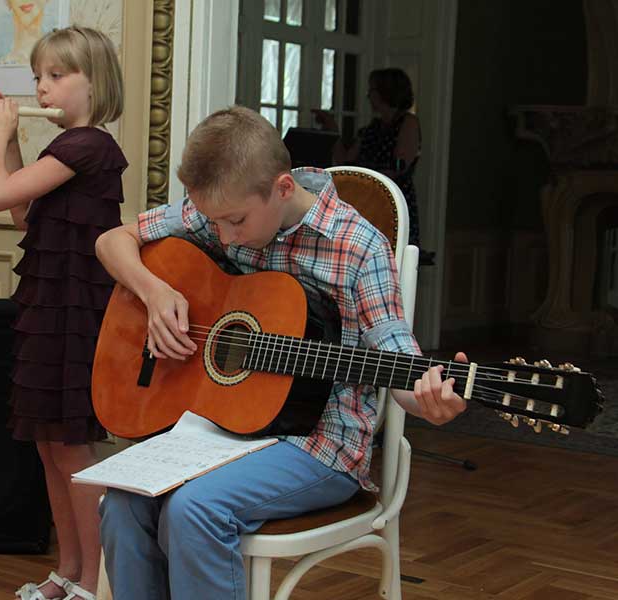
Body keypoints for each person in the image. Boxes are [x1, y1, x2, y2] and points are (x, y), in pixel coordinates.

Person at [94, 106, 466, 599]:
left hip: (320, 444)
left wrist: (429, 399)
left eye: (235, 222)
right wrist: (154, 292)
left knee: (194, 509)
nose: (223, 236)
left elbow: (396, 355)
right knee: (123, 502)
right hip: (217, 429)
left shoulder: (358, 247)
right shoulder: (222, 206)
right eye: (214, 222)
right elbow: (112, 241)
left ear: (283, 188)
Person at [0, 25, 126, 600]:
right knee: (48, 445)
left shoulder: (88, 146)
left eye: (57, 75)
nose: (42, 87)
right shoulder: (62, 149)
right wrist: (13, 144)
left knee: (70, 447)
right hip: (48, 304)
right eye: (38, 76)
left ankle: (93, 580)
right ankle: (67, 571)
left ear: (94, 83)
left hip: (76, 312)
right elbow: (22, 213)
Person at [318, 68, 424, 254]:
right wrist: (332, 129)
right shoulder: (372, 128)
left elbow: (399, 166)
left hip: (390, 198)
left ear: (386, 91)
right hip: (364, 198)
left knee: (391, 252)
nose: (369, 96)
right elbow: (345, 160)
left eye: (372, 90)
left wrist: (368, 179)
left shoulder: (408, 122)